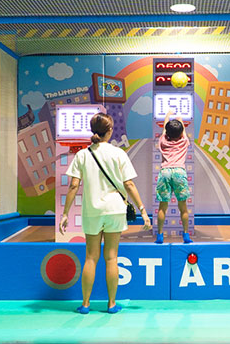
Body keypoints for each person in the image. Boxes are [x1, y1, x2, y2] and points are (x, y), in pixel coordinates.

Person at [61, 113, 152, 314]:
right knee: (111, 258)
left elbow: (74, 185)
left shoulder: (82, 155)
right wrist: (143, 211)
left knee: (91, 258)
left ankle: (85, 304)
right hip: (115, 210)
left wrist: (65, 214)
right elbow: (129, 184)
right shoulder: (118, 154)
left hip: (92, 211)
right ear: (109, 131)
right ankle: (111, 304)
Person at [155, 109, 192, 244]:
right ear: (182, 132)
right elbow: (181, 129)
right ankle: (186, 235)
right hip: (179, 172)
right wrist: (179, 116)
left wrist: (167, 115)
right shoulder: (184, 141)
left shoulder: (163, 141)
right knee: (183, 206)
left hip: (165, 172)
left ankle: (159, 236)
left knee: (162, 206)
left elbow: (165, 130)